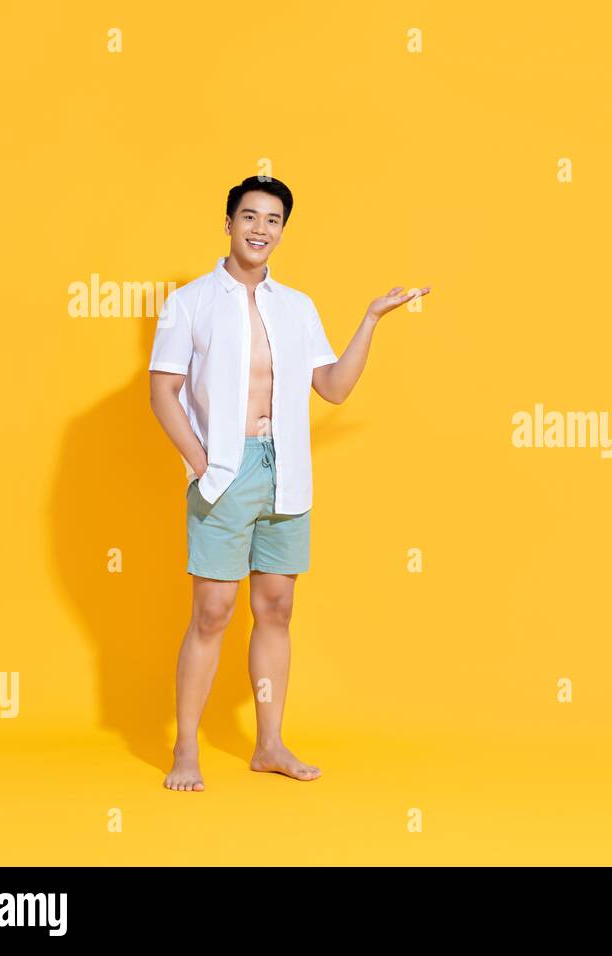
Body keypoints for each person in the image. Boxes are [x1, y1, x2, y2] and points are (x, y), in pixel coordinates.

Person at [148, 175, 430, 791]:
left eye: (272, 220)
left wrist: (371, 319)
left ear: (282, 231)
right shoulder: (190, 302)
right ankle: (187, 749)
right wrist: (201, 462)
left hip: (286, 469)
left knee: (276, 607)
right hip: (224, 469)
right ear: (228, 223)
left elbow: (331, 386)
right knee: (212, 611)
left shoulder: (296, 306)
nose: (259, 229)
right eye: (248, 216)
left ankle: (269, 744)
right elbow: (162, 390)